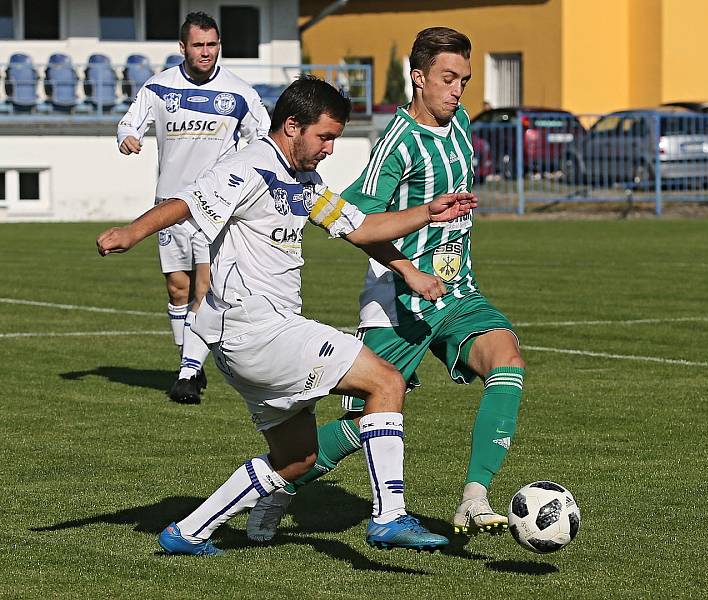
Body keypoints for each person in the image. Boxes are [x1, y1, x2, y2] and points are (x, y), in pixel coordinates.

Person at [97, 75, 477, 556]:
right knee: (386, 382)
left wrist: (426, 214)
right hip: (256, 329)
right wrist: (131, 233)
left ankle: (187, 532)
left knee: (297, 460)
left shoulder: (306, 181)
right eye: (325, 137)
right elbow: (185, 202)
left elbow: (361, 228)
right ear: (292, 125)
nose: (329, 149)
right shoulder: (250, 164)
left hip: (245, 342)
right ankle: (390, 516)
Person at [246, 27, 525, 543]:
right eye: (447, 78)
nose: (458, 90)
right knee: (363, 425)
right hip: (397, 302)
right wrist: (408, 271)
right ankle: (276, 486)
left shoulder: (460, 121)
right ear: (417, 78)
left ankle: (475, 496)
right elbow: (356, 221)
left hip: (456, 290)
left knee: (505, 360)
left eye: (464, 79)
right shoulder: (396, 144)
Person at [117, 11, 271, 404]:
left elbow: (263, 139)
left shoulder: (239, 92)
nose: (206, 52)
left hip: (214, 208)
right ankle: (191, 361)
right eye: (199, 45)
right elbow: (129, 122)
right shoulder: (159, 87)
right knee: (178, 287)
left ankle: (187, 372)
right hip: (168, 205)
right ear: (182, 47)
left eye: (213, 44)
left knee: (205, 286)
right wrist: (129, 137)